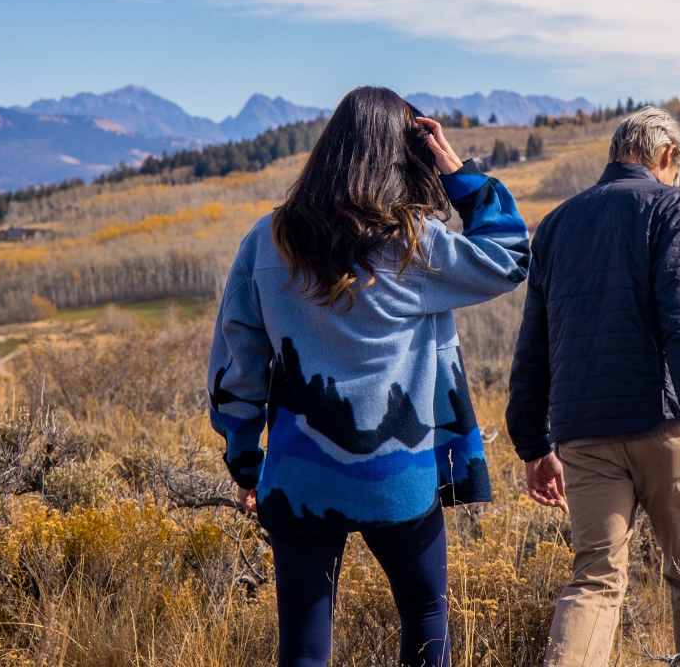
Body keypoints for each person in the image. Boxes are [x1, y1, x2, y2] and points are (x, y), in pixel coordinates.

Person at [207, 86, 530, 667]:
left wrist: (245, 461)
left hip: (297, 475)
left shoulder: (266, 239)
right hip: (398, 474)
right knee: (425, 617)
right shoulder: (413, 245)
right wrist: (458, 171)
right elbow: (510, 257)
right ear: (403, 155)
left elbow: (238, 361)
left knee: (304, 645)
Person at [506, 107, 680, 665]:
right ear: (667, 156)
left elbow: (533, 343)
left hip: (583, 435)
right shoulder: (673, 205)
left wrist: (534, 446)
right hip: (662, 426)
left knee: (595, 581)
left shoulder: (556, 223)